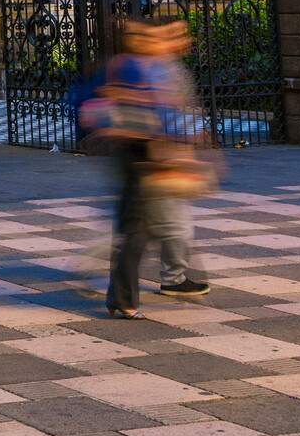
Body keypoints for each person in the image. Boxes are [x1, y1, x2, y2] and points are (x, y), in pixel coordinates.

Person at [92, 19, 214, 318]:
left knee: (137, 228)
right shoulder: (129, 65)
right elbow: (116, 102)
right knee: (138, 228)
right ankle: (125, 299)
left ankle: (124, 296)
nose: (151, 41)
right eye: (145, 35)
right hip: (137, 152)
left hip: (146, 151)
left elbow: (165, 109)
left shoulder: (149, 66)